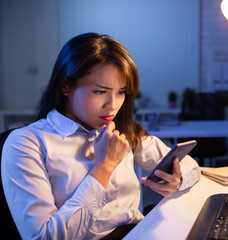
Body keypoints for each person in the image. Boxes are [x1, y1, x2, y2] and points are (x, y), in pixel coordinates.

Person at [1, 33, 200, 239]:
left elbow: (192, 166)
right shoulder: (26, 143)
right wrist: (104, 166)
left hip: (139, 232)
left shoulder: (122, 130)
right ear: (66, 86)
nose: (113, 105)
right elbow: (43, 236)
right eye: (100, 92)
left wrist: (177, 180)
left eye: (121, 92)